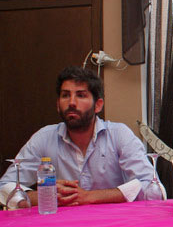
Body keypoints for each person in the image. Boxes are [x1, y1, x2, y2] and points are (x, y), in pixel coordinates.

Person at [0, 66, 157, 207]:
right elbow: (5, 186)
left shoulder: (119, 134)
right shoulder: (44, 137)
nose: (72, 102)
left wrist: (90, 197)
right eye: (65, 95)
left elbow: (153, 189)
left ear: (98, 105)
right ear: (57, 104)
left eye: (81, 95)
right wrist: (46, 195)